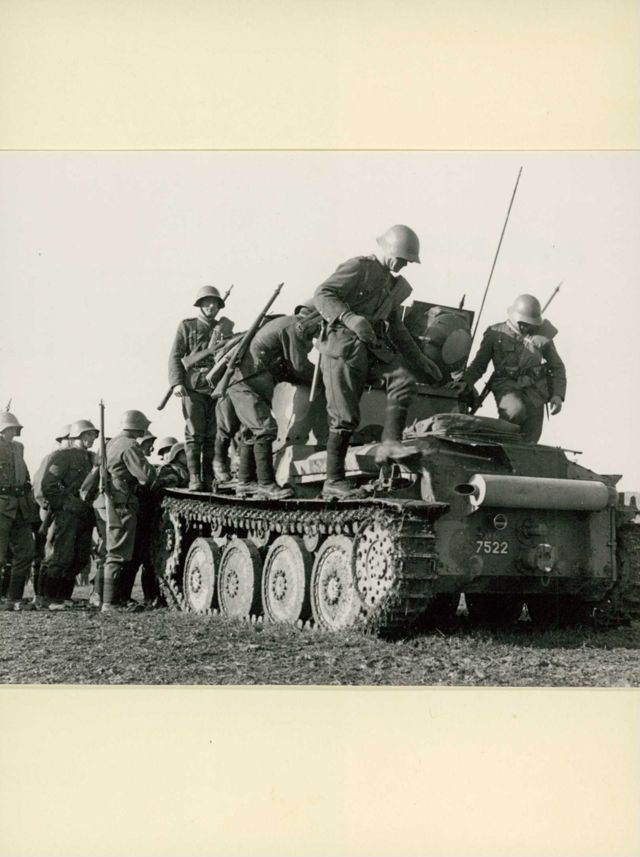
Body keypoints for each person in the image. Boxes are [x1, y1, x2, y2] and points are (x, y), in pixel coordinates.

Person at [312, 224, 442, 498]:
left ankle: (391, 444)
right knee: (344, 418)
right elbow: (323, 293)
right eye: (403, 259)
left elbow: (397, 328)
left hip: (370, 351)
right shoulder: (359, 267)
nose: (405, 265)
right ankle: (333, 481)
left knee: (402, 380)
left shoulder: (391, 284)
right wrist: (349, 318)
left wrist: (420, 360)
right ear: (389, 250)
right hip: (342, 350)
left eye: (408, 261)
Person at [225, 308, 321, 499]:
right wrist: (325, 377)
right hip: (245, 383)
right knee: (265, 429)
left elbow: (289, 369)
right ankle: (266, 484)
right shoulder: (295, 327)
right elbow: (299, 366)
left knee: (251, 432)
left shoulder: (286, 325)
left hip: (251, 383)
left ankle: (245, 482)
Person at [457, 294, 566, 442]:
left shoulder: (541, 338)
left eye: (531, 324)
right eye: (524, 323)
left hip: (534, 390)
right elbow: (479, 364)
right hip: (506, 385)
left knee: (533, 430)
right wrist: (466, 381)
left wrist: (557, 395)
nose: (527, 327)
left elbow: (557, 366)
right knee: (514, 412)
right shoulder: (495, 333)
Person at [93, 409, 158, 612]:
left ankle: (106, 599)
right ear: (139, 426)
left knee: (110, 551)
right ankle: (110, 603)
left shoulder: (111, 443)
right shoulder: (130, 445)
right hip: (122, 502)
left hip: (108, 501)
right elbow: (146, 476)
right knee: (118, 553)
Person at [168, 285, 228, 491]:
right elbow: (176, 356)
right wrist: (176, 383)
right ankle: (194, 478)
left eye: (215, 303)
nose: (211, 306)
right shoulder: (188, 326)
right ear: (200, 305)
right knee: (194, 434)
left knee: (212, 435)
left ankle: (208, 477)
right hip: (192, 386)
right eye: (207, 302)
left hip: (216, 386)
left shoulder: (223, 328)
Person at [38, 419, 99, 609]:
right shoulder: (62, 456)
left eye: (93, 435)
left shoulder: (92, 458)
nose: (91, 438)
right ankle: (50, 598)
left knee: (80, 557)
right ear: (76, 435)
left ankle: (64, 596)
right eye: (87, 435)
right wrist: (68, 504)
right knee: (61, 556)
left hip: (86, 513)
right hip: (67, 514)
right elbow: (49, 485)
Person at [0, 411, 37, 611]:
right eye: (10, 428)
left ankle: (14, 598)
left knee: (26, 552)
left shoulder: (18, 448)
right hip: (1, 506)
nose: (14, 431)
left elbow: (26, 477)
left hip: (20, 507)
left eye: (15, 428)